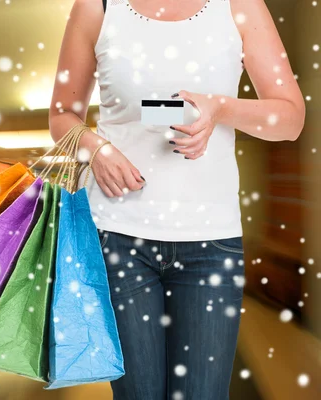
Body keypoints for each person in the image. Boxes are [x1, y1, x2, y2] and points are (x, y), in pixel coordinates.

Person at [48, 0, 306, 399]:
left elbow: (290, 119)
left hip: (211, 242)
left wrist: (220, 108)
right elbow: (63, 114)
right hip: (118, 239)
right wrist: (95, 149)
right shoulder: (97, 7)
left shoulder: (240, 5)